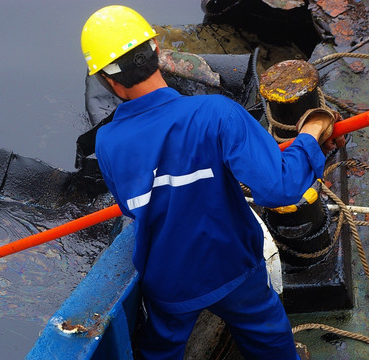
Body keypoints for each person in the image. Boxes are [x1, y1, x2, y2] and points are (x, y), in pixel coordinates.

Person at [80, 5, 343, 360]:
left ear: (108, 81)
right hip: (232, 265)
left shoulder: (107, 142)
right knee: (268, 335)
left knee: (160, 348)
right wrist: (311, 135)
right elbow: (279, 187)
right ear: (157, 50)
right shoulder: (216, 113)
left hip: (168, 280)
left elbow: (131, 205)